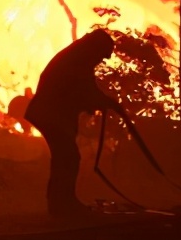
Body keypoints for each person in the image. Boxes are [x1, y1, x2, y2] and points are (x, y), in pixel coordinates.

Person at [23, 29, 119, 217]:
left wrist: (105, 102)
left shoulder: (78, 57)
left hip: (49, 113)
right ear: (96, 48)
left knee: (65, 157)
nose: (101, 60)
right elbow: (85, 91)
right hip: (49, 114)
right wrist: (106, 103)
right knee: (67, 157)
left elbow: (86, 90)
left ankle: (61, 202)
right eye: (102, 55)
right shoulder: (79, 61)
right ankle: (62, 204)